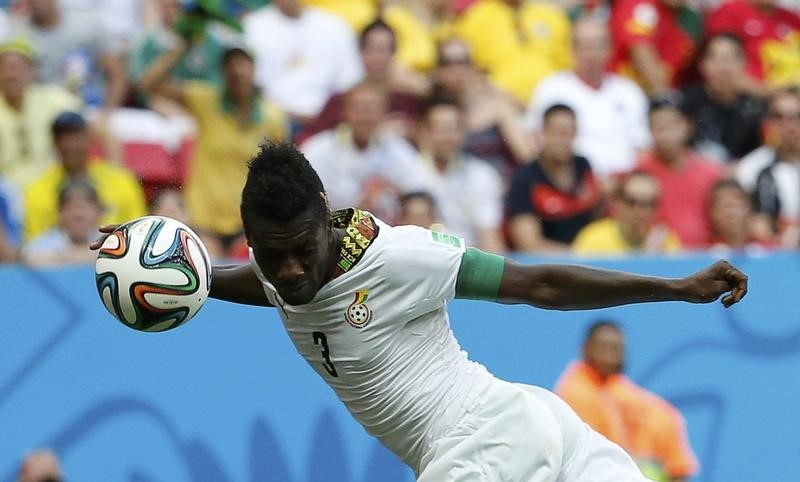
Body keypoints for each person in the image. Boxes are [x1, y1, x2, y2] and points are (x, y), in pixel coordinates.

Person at [92, 140, 748, 481]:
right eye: (271, 253)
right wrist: (175, 275)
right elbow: (248, 281)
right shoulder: (278, 269)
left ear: (325, 218)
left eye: (299, 251)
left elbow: (539, 284)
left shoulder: (401, 259)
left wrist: (673, 288)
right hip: (530, 429)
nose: (287, 271)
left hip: (482, 441)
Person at [139, 43, 289, 258]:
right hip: (204, 217)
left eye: (242, 64)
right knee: (206, 272)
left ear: (253, 69)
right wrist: (182, 45)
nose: (237, 71)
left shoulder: (273, 118)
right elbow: (149, 84)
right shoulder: (206, 101)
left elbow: (281, 173)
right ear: (222, 72)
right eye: (230, 65)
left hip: (248, 222)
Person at [555, 321, 699, 482]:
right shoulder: (575, 393)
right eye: (603, 346)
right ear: (586, 348)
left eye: (617, 348)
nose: (610, 354)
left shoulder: (630, 395)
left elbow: (678, 464)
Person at [526, 17, 650, 179]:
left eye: (599, 45)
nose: (592, 53)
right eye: (585, 46)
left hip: (625, 190)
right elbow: (533, 142)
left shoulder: (629, 91)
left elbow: (643, 148)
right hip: (571, 187)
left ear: (610, 48)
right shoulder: (551, 89)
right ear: (572, 50)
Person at [300, 81, 431, 223]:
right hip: (333, 231)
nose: (366, 115)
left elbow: (419, 188)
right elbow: (305, 197)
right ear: (345, 112)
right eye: (359, 108)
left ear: (384, 112)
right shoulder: (319, 149)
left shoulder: (397, 149)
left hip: (388, 233)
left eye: (373, 108)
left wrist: (395, 191)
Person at [23, 111, 146, 241]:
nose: (69, 144)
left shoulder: (121, 180)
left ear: (88, 139)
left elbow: (138, 231)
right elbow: (36, 244)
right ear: (54, 143)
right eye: (62, 138)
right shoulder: (36, 191)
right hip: (59, 258)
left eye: (76, 136)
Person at [297, 19, 425, 144]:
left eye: (383, 50)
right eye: (371, 50)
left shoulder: (409, 101)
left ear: (394, 54)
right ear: (360, 53)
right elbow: (308, 141)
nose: (377, 57)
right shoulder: (340, 100)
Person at [242, 0, 363, 126]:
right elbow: (248, 87)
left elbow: (351, 83)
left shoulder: (336, 27)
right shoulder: (251, 28)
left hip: (328, 124)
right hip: (272, 123)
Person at [432, 38, 536, 179]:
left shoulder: (497, 106)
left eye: (462, 62)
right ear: (438, 70)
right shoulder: (431, 110)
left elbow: (526, 155)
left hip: (499, 186)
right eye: (447, 63)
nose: (455, 70)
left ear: (473, 67)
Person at [506, 104, 603, 253]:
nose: (563, 140)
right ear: (542, 133)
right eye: (558, 132)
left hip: (588, 260)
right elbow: (529, 244)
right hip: (546, 267)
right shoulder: (524, 180)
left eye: (569, 132)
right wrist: (580, 256)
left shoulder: (584, 166)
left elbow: (597, 219)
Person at [416, 97, 506, 253]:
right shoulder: (407, 173)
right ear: (425, 132)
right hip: (419, 256)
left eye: (453, 129)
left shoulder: (482, 175)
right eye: (440, 129)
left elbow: (489, 234)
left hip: (466, 260)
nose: (447, 137)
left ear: (464, 132)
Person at [636, 98, 725, 249]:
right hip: (657, 258)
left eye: (668, 126)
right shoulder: (638, 175)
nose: (662, 135)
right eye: (656, 128)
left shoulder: (712, 173)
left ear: (687, 126)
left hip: (704, 257)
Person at [0, 37, 83, 187]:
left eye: (17, 68)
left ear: (32, 71)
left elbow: (95, 125)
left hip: (52, 188)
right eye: (4, 68)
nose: (10, 75)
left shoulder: (52, 100)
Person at [455, 0, 572, 105]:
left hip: (552, 101)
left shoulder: (551, 15)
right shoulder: (477, 18)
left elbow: (566, 66)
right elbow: (472, 72)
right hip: (501, 103)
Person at [680, 33, 765, 164]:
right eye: (716, 59)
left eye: (730, 59)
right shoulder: (685, 102)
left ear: (744, 63)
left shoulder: (755, 107)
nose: (723, 68)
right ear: (702, 64)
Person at [739, 88, 800, 249]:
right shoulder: (751, 168)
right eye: (779, 117)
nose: (789, 125)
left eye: (797, 117)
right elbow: (752, 222)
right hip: (775, 257)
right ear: (769, 123)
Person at [572, 171, 681, 255]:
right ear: (617, 204)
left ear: (657, 209)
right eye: (632, 202)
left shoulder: (667, 243)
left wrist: (657, 260)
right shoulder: (593, 239)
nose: (640, 211)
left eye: (649, 203)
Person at [610, 0, 702, 97]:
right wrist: (664, 99)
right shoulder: (640, 4)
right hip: (624, 94)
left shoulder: (691, 19)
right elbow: (641, 52)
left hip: (669, 93)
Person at [705, 0, 800, 93]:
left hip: (789, 94)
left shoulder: (792, 19)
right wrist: (764, 92)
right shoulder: (729, 13)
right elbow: (718, 64)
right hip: (743, 96)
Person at [23, 178, 101, 267]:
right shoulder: (42, 244)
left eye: (84, 208)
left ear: (98, 212)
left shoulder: (111, 241)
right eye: (71, 208)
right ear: (59, 214)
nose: (78, 215)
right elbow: (33, 260)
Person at [707, 178, 774, 252]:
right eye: (721, 202)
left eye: (736, 199)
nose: (730, 209)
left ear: (748, 206)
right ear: (712, 212)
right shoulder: (702, 250)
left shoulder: (765, 247)